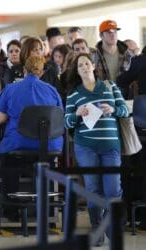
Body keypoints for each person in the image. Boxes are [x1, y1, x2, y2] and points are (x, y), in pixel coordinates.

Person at [64, 53, 128, 246]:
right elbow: (67, 123)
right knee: (93, 189)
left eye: (86, 63)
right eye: (79, 65)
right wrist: (76, 114)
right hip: (86, 147)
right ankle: (97, 228)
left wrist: (113, 109)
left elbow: (125, 110)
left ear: (93, 65)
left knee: (113, 190)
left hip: (111, 147)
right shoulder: (74, 94)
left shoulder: (110, 86)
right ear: (77, 70)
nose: (84, 67)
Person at [0, 56, 63, 217]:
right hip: (48, 145)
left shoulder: (11, 89)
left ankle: (12, 210)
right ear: (41, 72)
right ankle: (45, 210)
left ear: (24, 70)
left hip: (19, 144)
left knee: (9, 164)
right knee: (44, 164)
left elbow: (1, 118)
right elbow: (59, 116)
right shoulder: (52, 90)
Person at [93, 19, 132, 96]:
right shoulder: (94, 56)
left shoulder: (127, 54)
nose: (113, 35)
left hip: (125, 95)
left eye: (115, 31)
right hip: (103, 95)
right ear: (101, 36)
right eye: (109, 32)